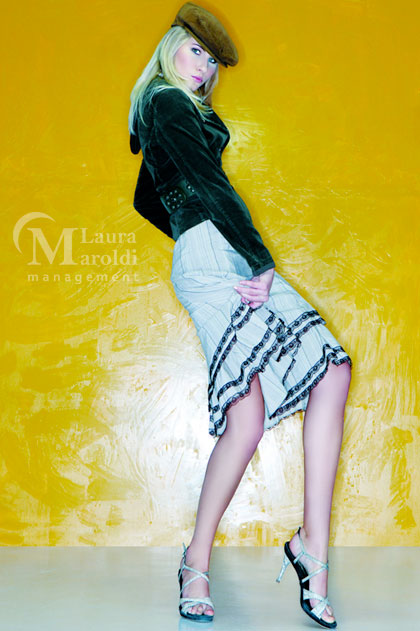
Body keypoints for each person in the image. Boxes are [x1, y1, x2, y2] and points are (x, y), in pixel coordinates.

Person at [128, 2, 352, 628]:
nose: (203, 68)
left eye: (211, 61)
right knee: (295, 389)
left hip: (210, 247)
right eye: (195, 51)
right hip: (217, 253)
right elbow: (206, 181)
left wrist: (189, 226)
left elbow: (149, 196)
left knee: (271, 404)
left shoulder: (169, 111)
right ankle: (201, 562)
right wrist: (253, 256)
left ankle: (306, 548)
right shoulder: (166, 101)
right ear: (171, 46)